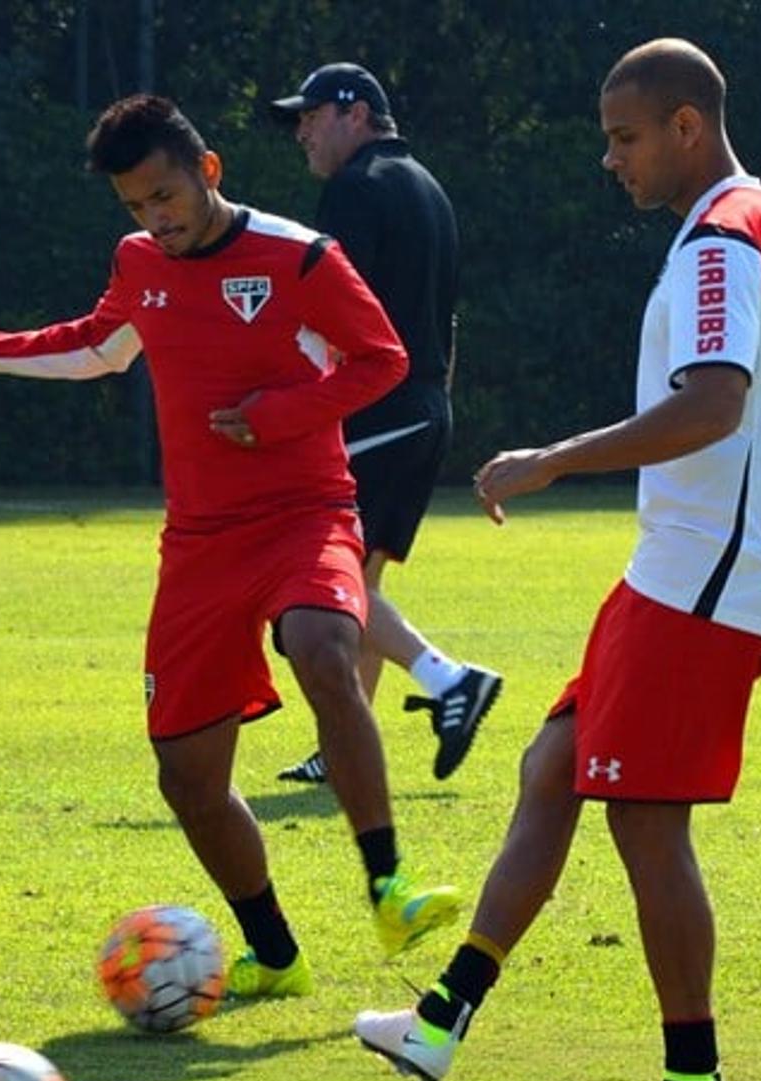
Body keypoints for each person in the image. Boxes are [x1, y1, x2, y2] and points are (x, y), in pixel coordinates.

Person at [352, 39, 761, 1081]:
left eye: (625, 137)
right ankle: (440, 1022)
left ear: (688, 126)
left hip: (703, 583)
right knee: (552, 766)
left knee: (644, 818)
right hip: (695, 577)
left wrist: (553, 459)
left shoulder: (725, 242)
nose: (610, 159)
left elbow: (714, 405)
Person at [0, 94, 462, 998]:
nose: (156, 218)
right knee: (187, 780)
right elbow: (95, 348)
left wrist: (278, 416)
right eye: (136, 205)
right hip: (199, 545)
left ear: (209, 170)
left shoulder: (302, 257)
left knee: (322, 645)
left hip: (307, 512)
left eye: (165, 195)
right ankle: (276, 954)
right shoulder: (140, 264)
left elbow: (382, 359)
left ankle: (390, 886)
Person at [266, 63, 501, 786]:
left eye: (310, 115)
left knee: (315, 577)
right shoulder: (426, 186)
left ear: (355, 112)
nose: (301, 129)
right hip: (426, 409)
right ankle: (346, 751)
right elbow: (446, 316)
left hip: (378, 409)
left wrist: (290, 404)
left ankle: (447, 679)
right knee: (357, 579)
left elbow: (333, 313)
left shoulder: (355, 191)